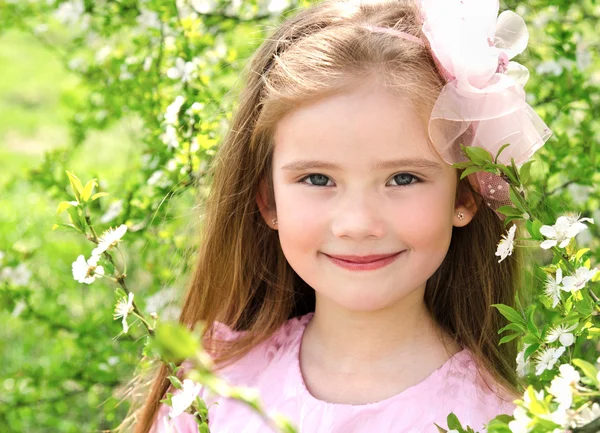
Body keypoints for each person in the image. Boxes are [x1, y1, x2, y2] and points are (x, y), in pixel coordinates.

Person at [136, 0, 552, 431]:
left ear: (463, 196)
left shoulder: (498, 420)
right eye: (317, 179)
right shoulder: (211, 386)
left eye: (403, 178)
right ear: (269, 200)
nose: (357, 224)